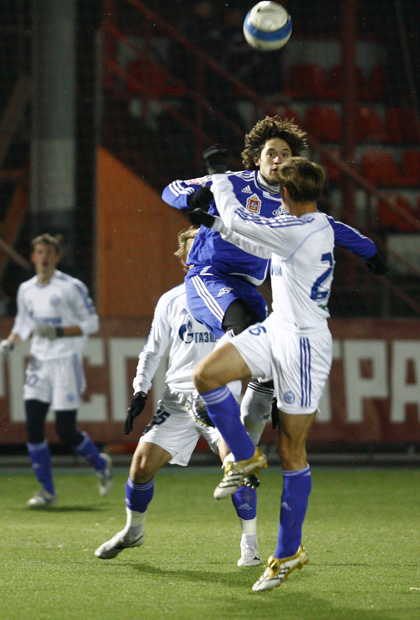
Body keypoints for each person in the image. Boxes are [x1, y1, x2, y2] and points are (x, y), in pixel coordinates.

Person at [162, 117, 386, 449]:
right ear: (257, 159)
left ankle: (242, 457)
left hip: (249, 287)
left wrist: (371, 252)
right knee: (243, 326)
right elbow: (172, 189)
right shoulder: (230, 182)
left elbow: (331, 227)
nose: (278, 159)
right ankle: (204, 396)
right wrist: (192, 197)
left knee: (269, 368)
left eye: (285, 154)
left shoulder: (291, 202)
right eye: (271, 153)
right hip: (211, 276)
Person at [191, 158, 340, 591]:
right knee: (206, 375)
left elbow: (243, 221)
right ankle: (245, 454)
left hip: (304, 346)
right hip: (277, 328)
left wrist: (220, 183)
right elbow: (254, 240)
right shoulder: (311, 223)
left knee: (292, 451)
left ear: (287, 193)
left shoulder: (299, 230)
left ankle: (288, 552)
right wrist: (214, 225)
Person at [94, 227, 260, 567]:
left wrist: (265, 392)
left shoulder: (235, 296)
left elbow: (257, 346)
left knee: (236, 465)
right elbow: (152, 350)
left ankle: (251, 543)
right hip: (178, 400)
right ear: (185, 259)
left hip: (218, 398)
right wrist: (140, 389)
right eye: (195, 250)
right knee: (140, 467)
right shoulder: (171, 300)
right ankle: (133, 531)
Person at [0, 233, 112, 507]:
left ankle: (100, 462)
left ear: (57, 257)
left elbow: (92, 323)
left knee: (65, 430)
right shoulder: (26, 289)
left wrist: (58, 331)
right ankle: (47, 491)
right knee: (33, 426)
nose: (44, 258)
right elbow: (24, 324)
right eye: (40, 252)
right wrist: (11, 342)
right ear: (32, 257)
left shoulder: (71, 287)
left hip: (65, 361)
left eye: (49, 253)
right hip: (39, 362)